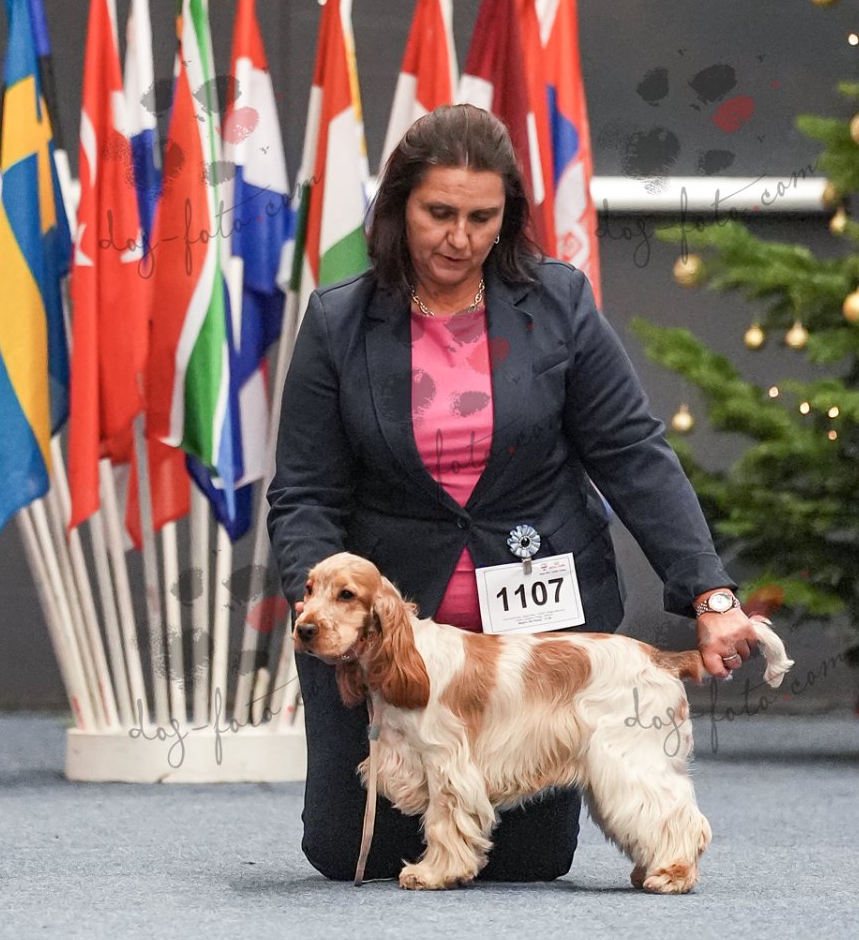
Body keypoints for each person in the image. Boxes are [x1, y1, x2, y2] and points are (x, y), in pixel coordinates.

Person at [267, 104, 759, 883]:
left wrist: (710, 593)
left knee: (530, 861)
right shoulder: (338, 322)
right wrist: (331, 613)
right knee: (346, 853)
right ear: (398, 208)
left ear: (508, 217)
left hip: (536, 647)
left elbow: (632, 452)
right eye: (438, 213)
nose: (459, 238)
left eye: (481, 218)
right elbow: (302, 495)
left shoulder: (558, 304)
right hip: (396, 643)